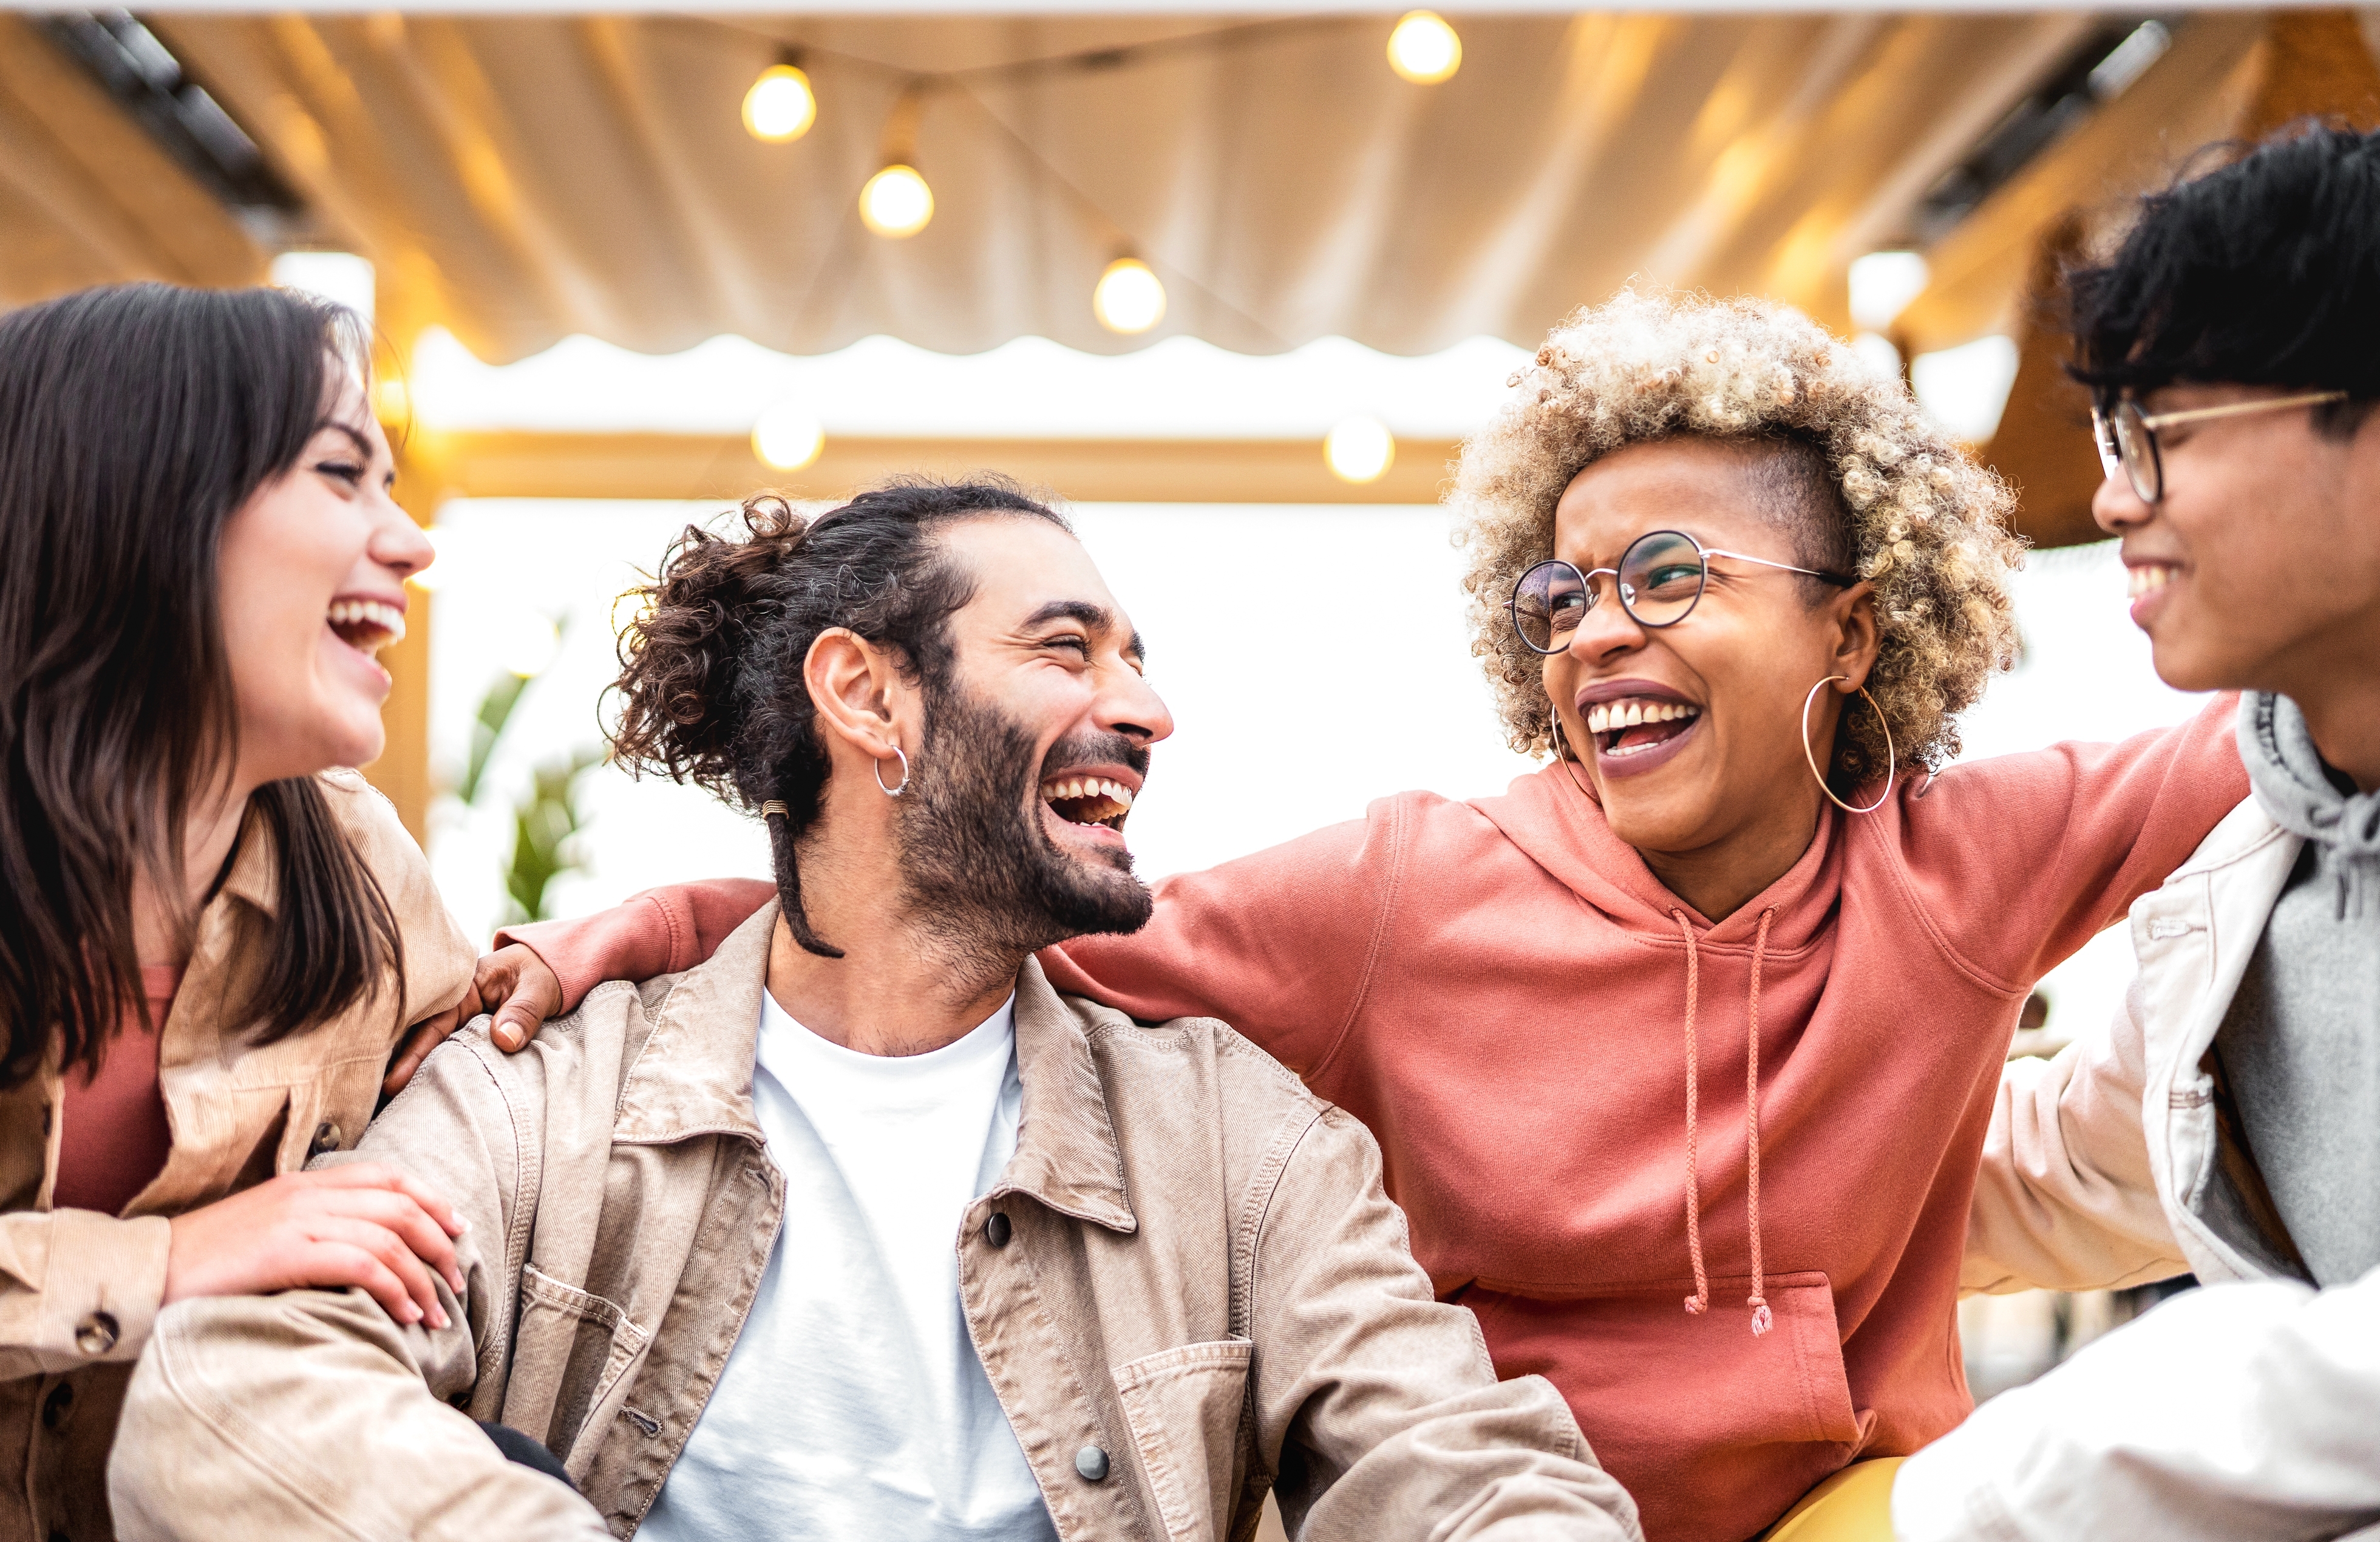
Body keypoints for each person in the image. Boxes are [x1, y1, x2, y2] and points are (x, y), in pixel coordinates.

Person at [481, 291, 2249, 1542]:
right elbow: (971, 911)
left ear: (1851, 634)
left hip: (1847, 1518)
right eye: (1562, 592)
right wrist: (662, 928)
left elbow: (2294, 720)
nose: (1597, 633)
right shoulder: (1412, 892)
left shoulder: (1968, 866)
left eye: (1668, 578)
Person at [108, 481, 1642, 1542]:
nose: (1149, 708)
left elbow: (1460, 1464)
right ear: (868, 697)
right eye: (1066, 646)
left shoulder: (1240, 1144)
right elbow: (226, 1387)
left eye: (1139, 658)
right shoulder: (542, 1100)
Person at [1892, 124, 2380, 1542]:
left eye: (2156, 431)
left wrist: (1983, 1495)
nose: (2111, 499)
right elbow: (2080, 1166)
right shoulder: (2259, 856)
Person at [0, 282, 488, 1540]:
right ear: (140, 501)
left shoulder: (357, 862)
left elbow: (506, 1067)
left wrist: (654, 927)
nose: (412, 541)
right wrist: (168, 1263)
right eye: (343, 475)